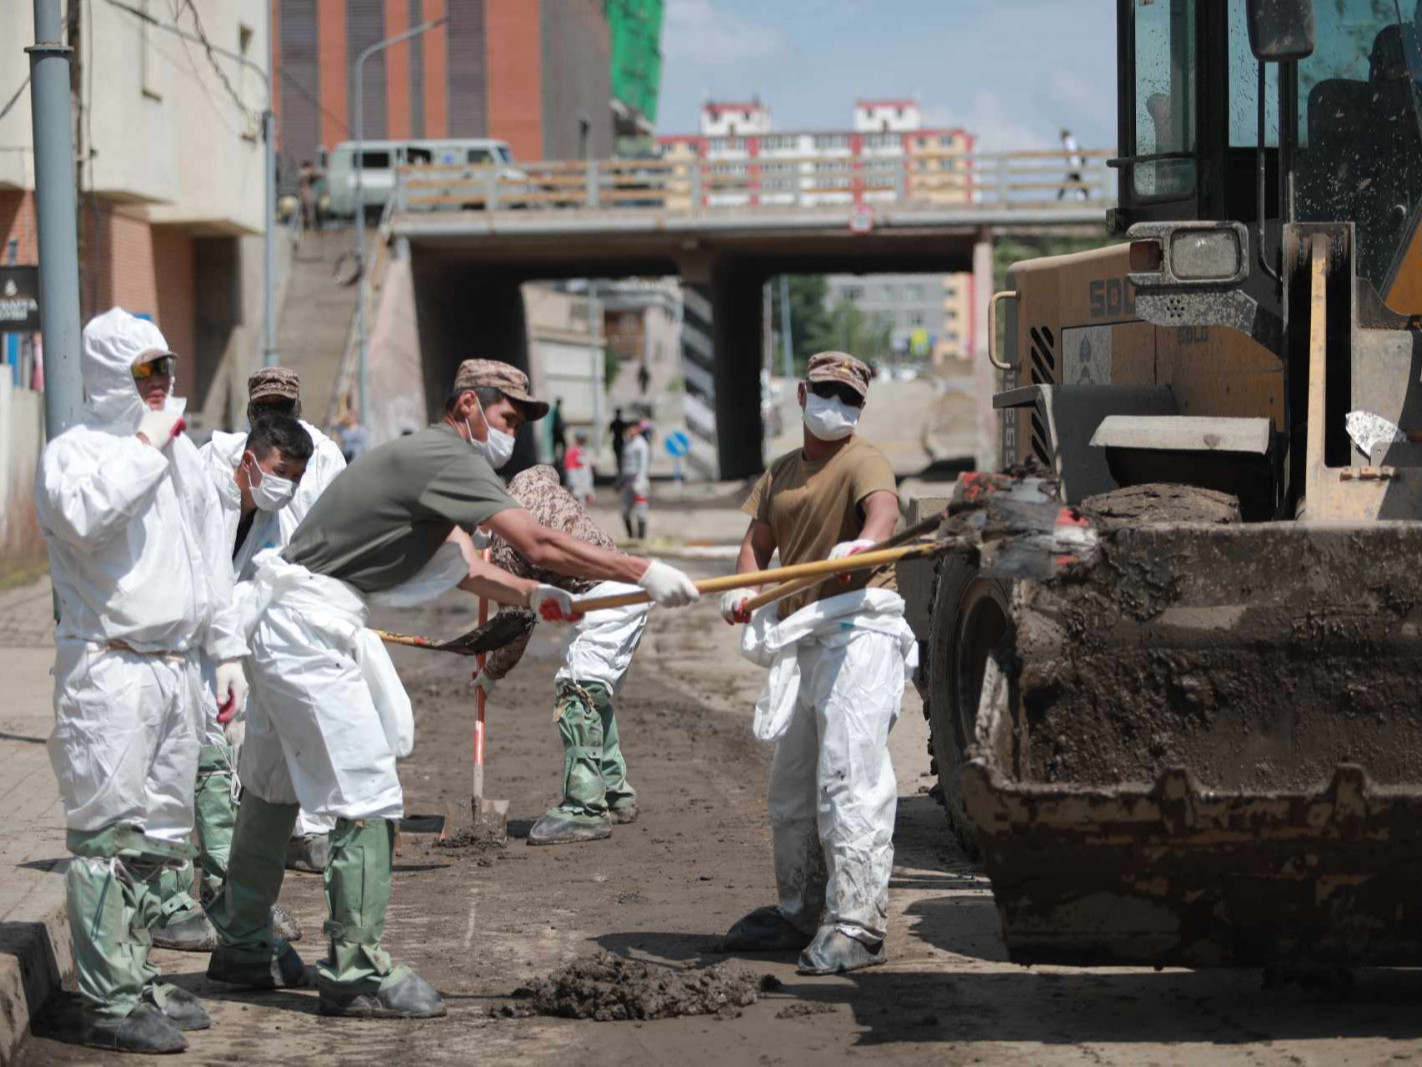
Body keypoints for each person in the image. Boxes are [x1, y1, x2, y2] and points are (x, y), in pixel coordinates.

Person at [206, 359, 700, 1021]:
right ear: (468, 404)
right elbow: (540, 538)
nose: (512, 432)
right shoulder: (449, 455)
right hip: (309, 628)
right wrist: (643, 567)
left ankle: (242, 944)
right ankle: (354, 970)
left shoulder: (424, 457)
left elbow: (467, 565)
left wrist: (533, 594)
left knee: (270, 785)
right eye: (505, 417)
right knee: (368, 791)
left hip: (283, 620)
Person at [34, 308, 250, 1053]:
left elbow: (205, 552)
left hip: (173, 667)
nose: (161, 386)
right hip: (109, 667)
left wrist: (225, 650)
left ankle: (137, 969)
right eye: (145, 373)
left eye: (167, 370)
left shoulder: (177, 455)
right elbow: (84, 518)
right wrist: (144, 448)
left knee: (157, 836)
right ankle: (108, 999)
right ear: (109, 378)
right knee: (106, 835)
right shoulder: (77, 453)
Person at [718, 351, 916, 977]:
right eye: (828, 392)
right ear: (802, 393)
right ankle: (801, 911)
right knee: (793, 789)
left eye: (851, 399)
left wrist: (865, 542)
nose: (839, 406)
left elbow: (883, 512)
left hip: (859, 630)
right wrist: (745, 591)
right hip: (807, 637)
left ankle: (858, 924)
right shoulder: (778, 475)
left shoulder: (865, 461)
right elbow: (756, 545)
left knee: (848, 779)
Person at [166, 415, 313, 957]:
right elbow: (197, 575)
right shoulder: (202, 485)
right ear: (250, 460)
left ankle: (232, 892)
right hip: (172, 639)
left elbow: (261, 579)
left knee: (223, 761)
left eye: (296, 478)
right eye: (280, 472)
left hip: (217, 644)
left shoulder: (265, 511)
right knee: (194, 762)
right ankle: (190, 897)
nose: (287, 486)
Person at [476, 465, 649, 844]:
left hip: (608, 597)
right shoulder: (529, 480)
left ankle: (585, 807)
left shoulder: (506, 546)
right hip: (620, 591)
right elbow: (547, 471)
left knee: (578, 693)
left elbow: (518, 623)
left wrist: (491, 673)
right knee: (593, 691)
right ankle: (616, 793)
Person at [242, 367, 350, 873]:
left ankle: (315, 831)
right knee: (257, 722)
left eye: (282, 409)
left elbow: (342, 524)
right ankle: (270, 827)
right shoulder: (242, 454)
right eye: (266, 410)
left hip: (309, 599)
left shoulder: (325, 454)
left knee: (311, 715)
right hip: (254, 605)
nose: (275, 418)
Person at [619, 419, 651, 541]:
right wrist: (621, 480)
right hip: (627, 481)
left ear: (638, 429)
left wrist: (641, 480)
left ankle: (641, 537)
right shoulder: (627, 444)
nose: (629, 431)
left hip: (638, 481)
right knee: (625, 511)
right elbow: (624, 463)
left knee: (641, 509)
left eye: (632, 428)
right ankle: (631, 536)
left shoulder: (641, 444)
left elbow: (644, 464)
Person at [564, 428, 595, 505]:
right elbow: (570, 468)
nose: (583, 440)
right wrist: (574, 482)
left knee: (582, 503)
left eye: (584, 438)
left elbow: (587, 468)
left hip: (585, 481)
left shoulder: (584, 451)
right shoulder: (572, 451)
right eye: (581, 438)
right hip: (576, 481)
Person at [1059, 128, 1086, 201]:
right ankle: (1083, 197)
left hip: (1074, 165)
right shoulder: (1072, 140)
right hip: (1076, 165)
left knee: (1071, 182)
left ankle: (1059, 198)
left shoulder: (1068, 142)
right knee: (1078, 182)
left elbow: (1071, 154)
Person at [550, 396, 568, 480]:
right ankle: (559, 458)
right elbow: (557, 422)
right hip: (557, 432)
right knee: (563, 444)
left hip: (556, 431)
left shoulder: (556, 410)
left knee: (559, 445)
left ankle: (559, 458)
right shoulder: (556, 411)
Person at [609, 406, 630, 474]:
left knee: (620, 457)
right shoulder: (617, 423)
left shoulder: (616, 423)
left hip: (619, 440)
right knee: (619, 457)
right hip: (619, 440)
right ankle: (620, 470)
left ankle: (620, 470)